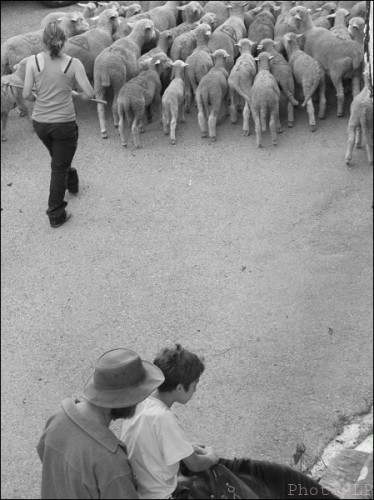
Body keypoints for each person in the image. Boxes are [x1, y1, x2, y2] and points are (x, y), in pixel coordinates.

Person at [37, 348, 165, 499]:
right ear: (122, 400)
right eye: (137, 396)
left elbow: (43, 453)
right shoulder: (111, 462)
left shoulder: (59, 416)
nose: (140, 401)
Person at [121, 343, 219, 499]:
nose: (195, 390)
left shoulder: (141, 401)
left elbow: (151, 443)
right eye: (194, 385)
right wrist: (212, 457)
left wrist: (186, 447)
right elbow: (195, 464)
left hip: (137, 486)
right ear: (180, 387)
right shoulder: (163, 417)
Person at [22, 22, 95, 228]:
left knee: (59, 158)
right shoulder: (74, 64)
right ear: (64, 41)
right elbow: (89, 94)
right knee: (59, 166)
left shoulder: (33, 62)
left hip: (41, 124)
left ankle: (71, 180)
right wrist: (74, 94)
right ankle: (56, 213)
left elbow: (26, 94)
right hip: (63, 124)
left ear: (43, 41)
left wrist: (40, 98)